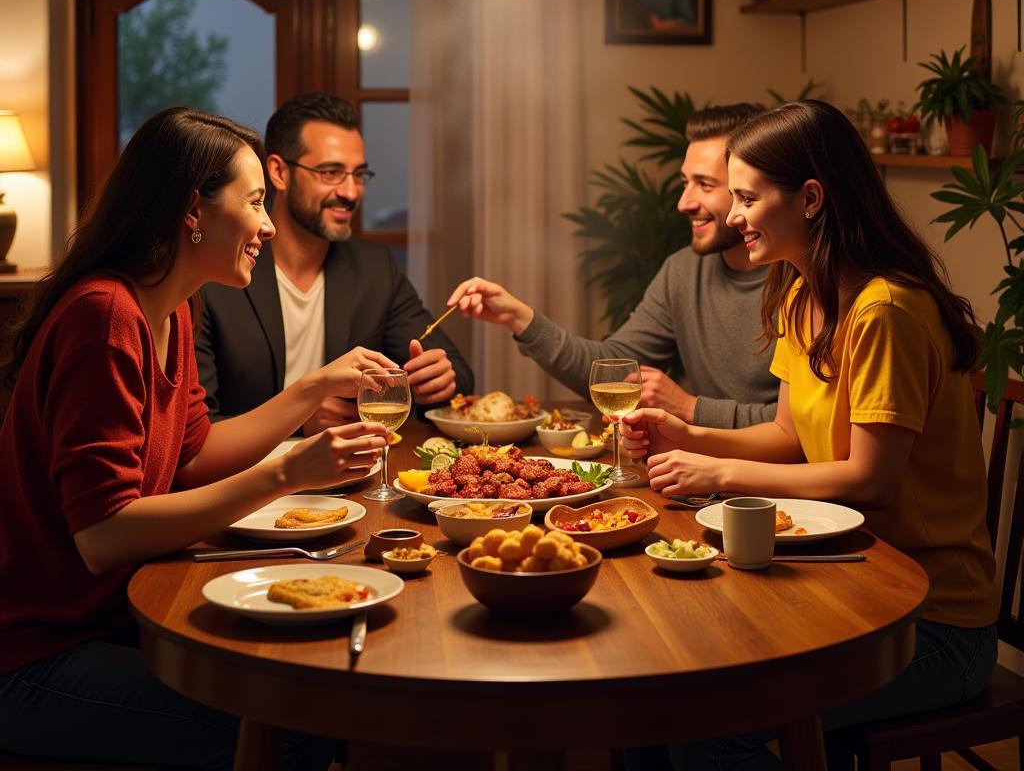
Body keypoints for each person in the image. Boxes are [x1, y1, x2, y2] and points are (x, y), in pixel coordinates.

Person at [0, 108, 394, 769]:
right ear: (193, 210)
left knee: (313, 681)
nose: (268, 225)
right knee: (298, 723)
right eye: (255, 202)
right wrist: (288, 472)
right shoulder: (105, 316)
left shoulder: (172, 310)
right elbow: (105, 536)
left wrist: (309, 390)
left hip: (114, 622)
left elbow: (194, 458)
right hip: (35, 656)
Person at [622, 100, 998, 770]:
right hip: (848, 582)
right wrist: (688, 434)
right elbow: (787, 436)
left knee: (712, 722)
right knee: (657, 681)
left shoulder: (884, 311)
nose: (734, 216)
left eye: (747, 196)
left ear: (812, 198)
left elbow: (869, 480)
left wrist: (720, 473)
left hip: (931, 621)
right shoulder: (802, 293)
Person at [446, 103, 776, 428]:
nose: (683, 203)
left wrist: (690, 408)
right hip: (707, 470)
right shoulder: (683, 271)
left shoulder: (803, 280)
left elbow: (799, 430)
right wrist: (518, 318)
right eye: (684, 182)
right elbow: (614, 371)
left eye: (705, 185)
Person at [196, 93, 474, 434]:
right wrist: (299, 419)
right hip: (249, 482)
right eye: (330, 172)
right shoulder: (219, 273)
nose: (351, 192)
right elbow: (196, 430)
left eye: (359, 175)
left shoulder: (374, 268)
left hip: (353, 479)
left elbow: (460, 375)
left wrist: (442, 379)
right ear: (279, 172)